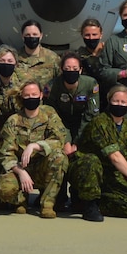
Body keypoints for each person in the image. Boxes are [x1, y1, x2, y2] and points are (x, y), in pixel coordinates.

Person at [68, 85, 127, 221]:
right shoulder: (100, 122)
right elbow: (115, 157)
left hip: (110, 175)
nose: (119, 105)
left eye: (123, 102)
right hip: (86, 170)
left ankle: (97, 202)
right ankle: (89, 204)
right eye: (116, 101)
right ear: (109, 101)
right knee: (91, 161)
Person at [0, 81, 70, 219]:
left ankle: (47, 204)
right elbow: (5, 153)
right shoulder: (14, 120)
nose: (31, 98)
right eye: (27, 95)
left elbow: (59, 139)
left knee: (60, 157)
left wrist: (35, 146)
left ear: (41, 95)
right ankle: (20, 201)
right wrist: (21, 172)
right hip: (20, 168)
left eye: (34, 94)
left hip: (42, 167)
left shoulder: (49, 114)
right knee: (5, 189)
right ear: (22, 98)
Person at [45, 51, 100, 211]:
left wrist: (76, 142)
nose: (71, 71)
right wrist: (66, 140)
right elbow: (52, 115)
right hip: (59, 124)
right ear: (62, 70)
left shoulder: (91, 84)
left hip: (83, 125)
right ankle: (58, 197)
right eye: (67, 68)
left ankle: (78, 196)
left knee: (82, 158)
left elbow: (91, 114)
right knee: (60, 156)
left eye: (75, 68)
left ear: (81, 70)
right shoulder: (52, 86)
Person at [16, 19, 61, 92]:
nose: (31, 37)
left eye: (35, 34)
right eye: (27, 35)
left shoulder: (52, 58)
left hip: (45, 101)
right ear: (22, 37)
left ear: (41, 36)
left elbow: (61, 81)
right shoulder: (15, 58)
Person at [75, 18, 105, 85]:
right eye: (87, 35)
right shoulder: (78, 56)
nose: (91, 38)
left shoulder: (109, 51)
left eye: (94, 34)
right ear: (82, 35)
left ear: (101, 35)